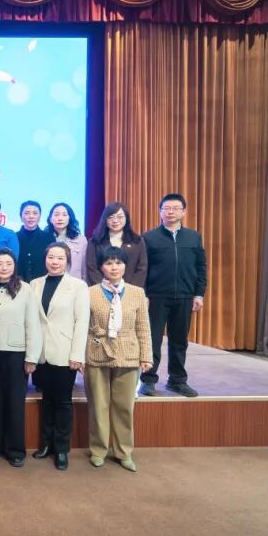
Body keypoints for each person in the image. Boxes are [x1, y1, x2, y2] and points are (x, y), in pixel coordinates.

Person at [86, 246, 153, 471]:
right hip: (97, 353)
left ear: (125, 266)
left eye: (118, 263)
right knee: (98, 405)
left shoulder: (137, 293)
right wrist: (81, 356)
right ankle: (98, 450)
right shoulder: (89, 292)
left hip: (128, 354)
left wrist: (146, 356)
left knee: (124, 407)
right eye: (108, 263)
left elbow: (143, 327)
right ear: (101, 267)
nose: (114, 267)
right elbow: (83, 326)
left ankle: (124, 452)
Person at [0, 248, 41, 467]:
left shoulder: (25, 289)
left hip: (16, 353)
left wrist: (31, 357)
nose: (4, 268)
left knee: (15, 401)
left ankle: (15, 449)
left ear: (14, 266)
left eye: (8, 264)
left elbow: (32, 324)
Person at [140, 193, 207, 397]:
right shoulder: (149, 237)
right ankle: (148, 380)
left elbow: (201, 266)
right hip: (156, 296)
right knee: (152, 340)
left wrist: (199, 294)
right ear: (160, 212)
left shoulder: (194, 237)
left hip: (185, 296)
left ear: (183, 212)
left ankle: (177, 380)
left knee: (179, 341)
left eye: (175, 208)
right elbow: (143, 269)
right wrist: (144, 294)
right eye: (166, 208)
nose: (170, 212)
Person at [29, 243, 89, 471]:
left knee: (63, 402)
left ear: (68, 261)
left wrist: (77, 355)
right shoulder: (35, 284)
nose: (54, 262)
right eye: (51, 257)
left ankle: (61, 448)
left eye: (60, 258)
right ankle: (46, 444)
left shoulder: (78, 286)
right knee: (46, 400)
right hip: (41, 352)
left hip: (65, 352)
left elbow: (82, 322)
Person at [86, 201, 148, 286]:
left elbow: (142, 268)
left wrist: (129, 289)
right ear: (105, 220)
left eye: (120, 217)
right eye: (111, 217)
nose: (115, 221)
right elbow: (92, 268)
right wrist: (104, 288)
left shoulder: (137, 241)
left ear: (126, 218)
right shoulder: (95, 241)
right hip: (102, 289)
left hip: (131, 289)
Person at [46, 202, 87, 281]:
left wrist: (85, 285)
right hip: (50, 282)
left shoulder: (81, 240)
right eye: (56, 215)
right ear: (50, 219)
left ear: (70, 218)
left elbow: (84, 268)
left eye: (64, 215)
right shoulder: (44, 239)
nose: (60, 218)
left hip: (74, 284)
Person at [16, 200, 52, 282]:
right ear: (21, 216)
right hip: (18, 284)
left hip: (43, 283)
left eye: (35, 213)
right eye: (27, 213)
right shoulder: (14, 237)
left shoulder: (49, 238)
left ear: (40, 216)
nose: (31, 216)